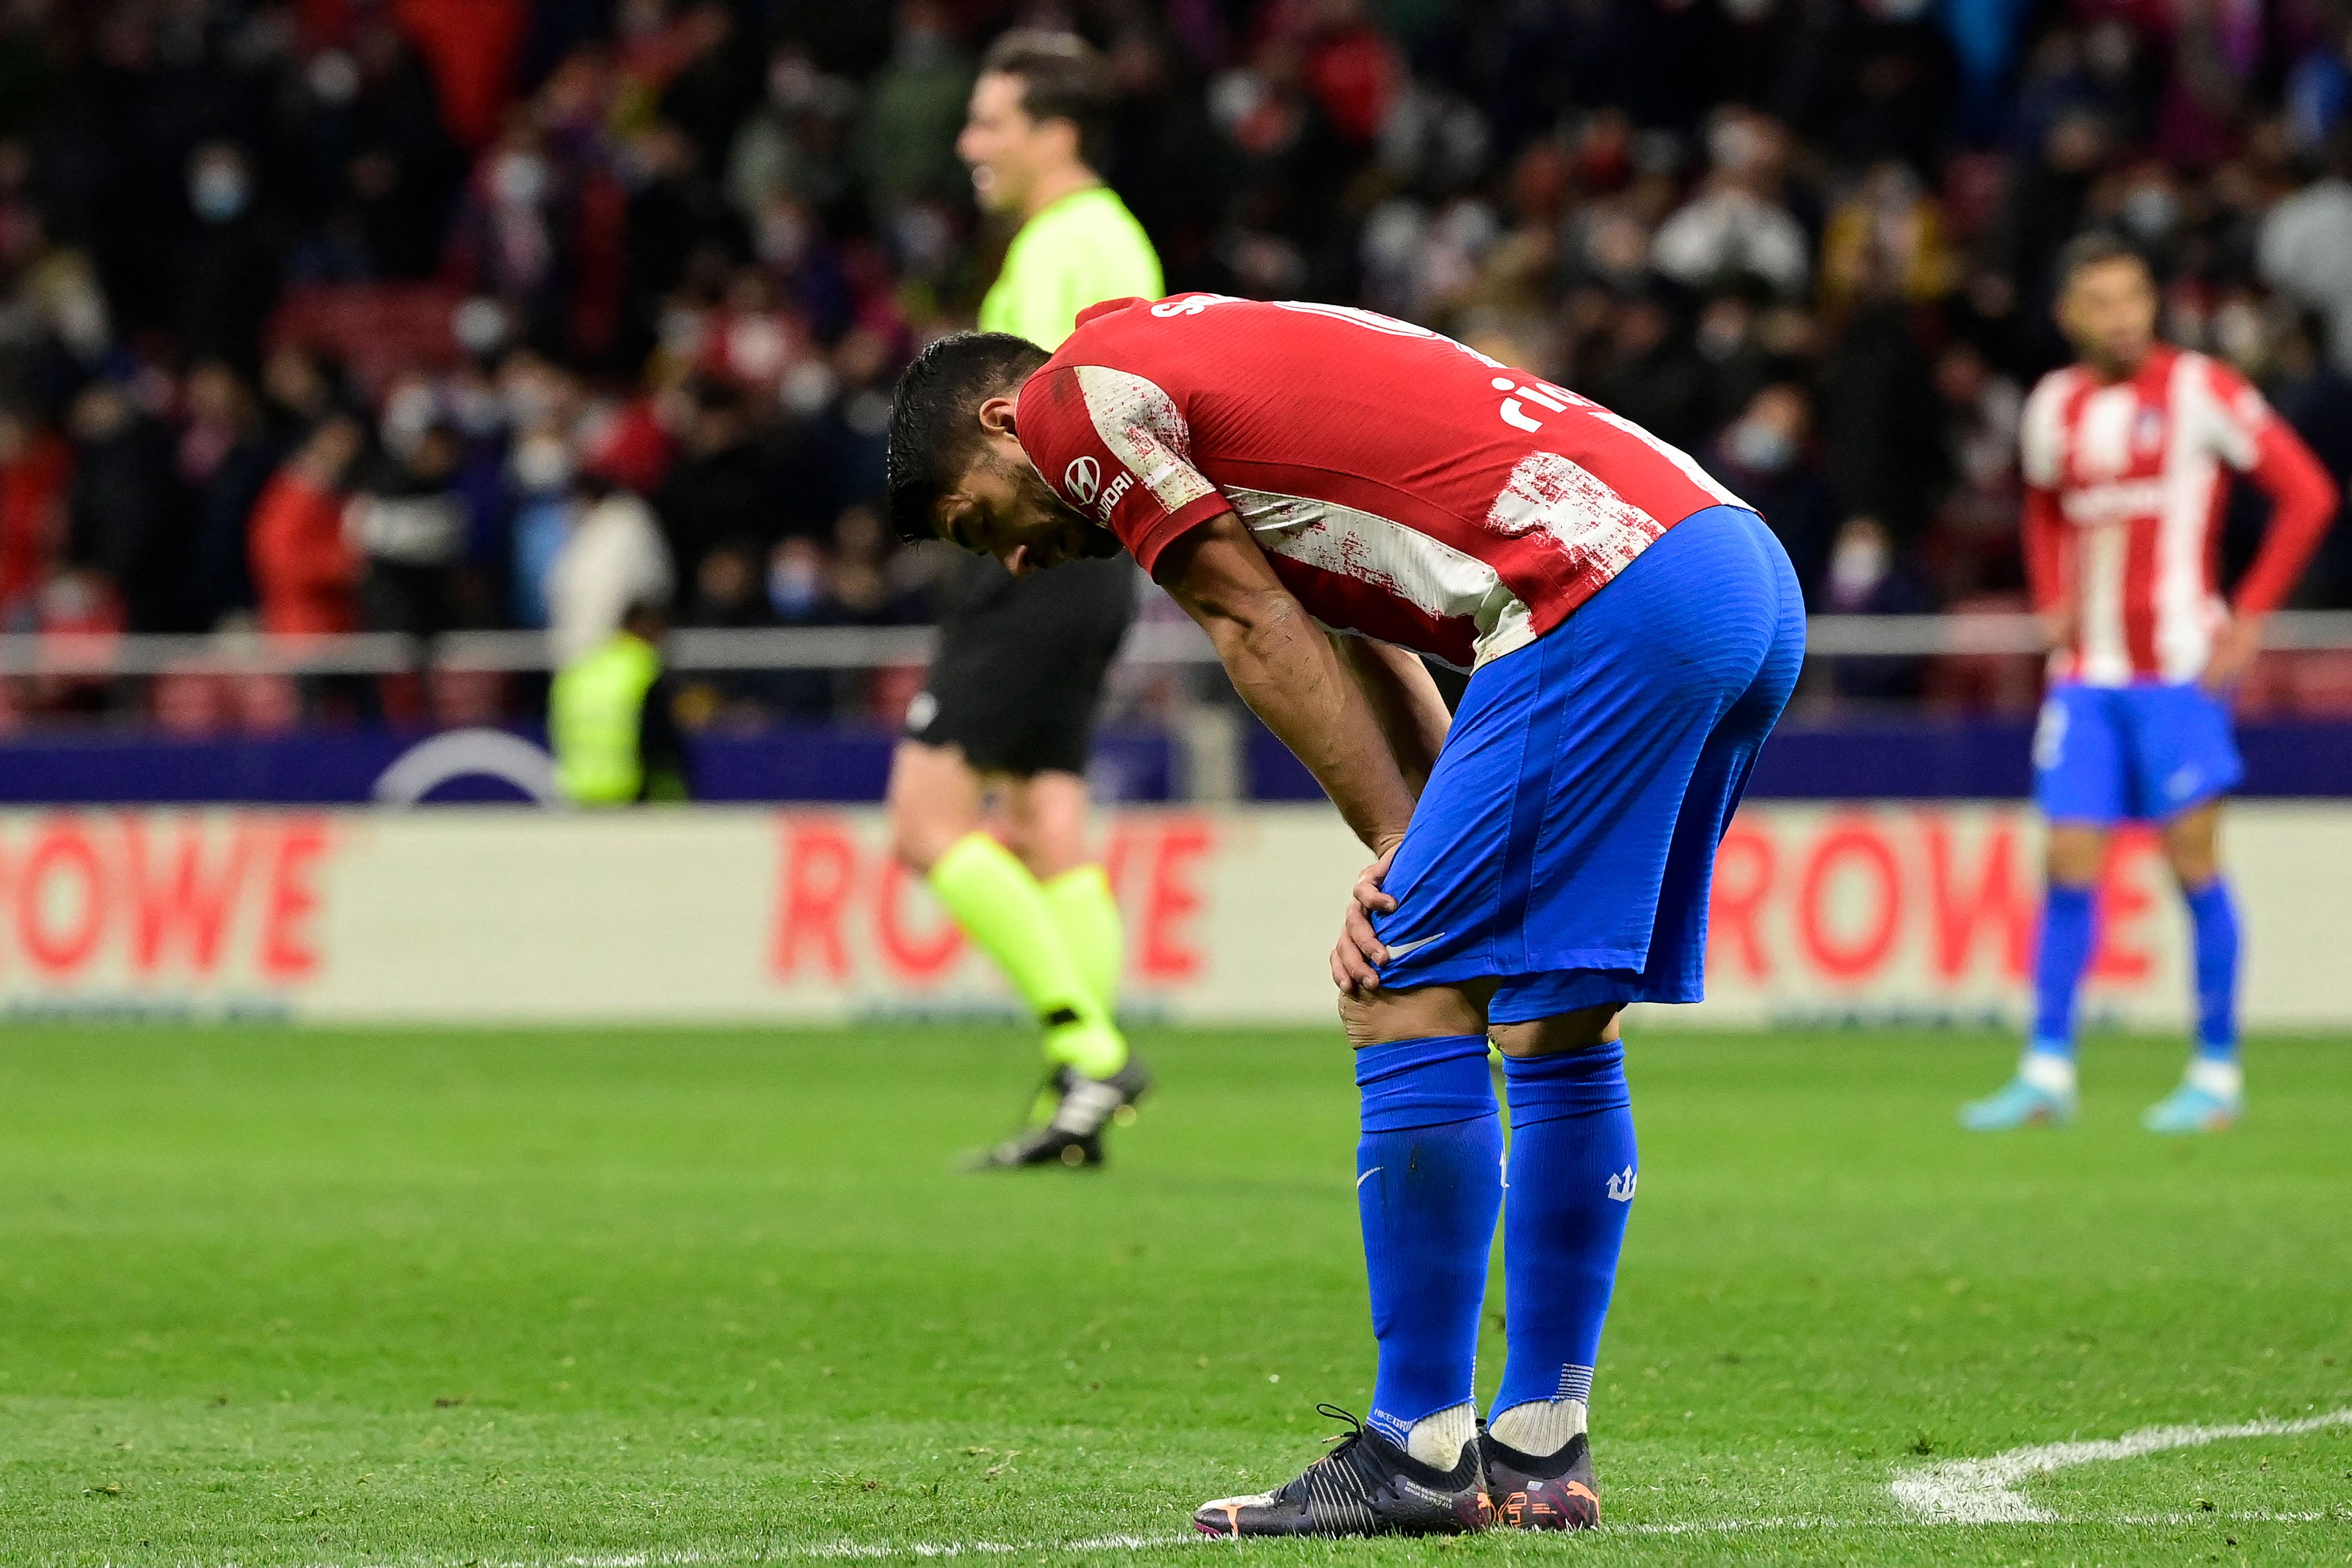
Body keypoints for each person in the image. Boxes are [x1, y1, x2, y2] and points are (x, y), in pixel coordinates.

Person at [883, 293, 1803, 1535]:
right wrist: (1416, 840)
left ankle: (1413, 1447)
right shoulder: (1183, 360)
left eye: (976, 517)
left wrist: (1392, 851)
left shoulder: (1071, 401)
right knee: (1550, 1015)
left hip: (1594, 587)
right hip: (1723, 565)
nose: (1007, 557)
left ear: (1002, 420)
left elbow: (1245, 617)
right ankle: (1537, 1447)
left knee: (1397, 985)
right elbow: (1336, 617)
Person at [1961, 234, 2338, 1136]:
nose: (2122, 315)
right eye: (2100, 301)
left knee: (2192, 863)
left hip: (2177, 674)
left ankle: (2215, 1072)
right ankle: (2046, 1071)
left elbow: (2307, 495)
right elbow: (2044, 503)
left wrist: (2247, 616)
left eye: (2133, 296)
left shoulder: (2201, 387)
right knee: (2066, 866)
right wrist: (2050, 596)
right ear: (2066, 317)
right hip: (2085, 677)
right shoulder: (2052, 405)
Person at [885, 31, 1163, 1170]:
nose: (969, 144)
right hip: (1097, 564)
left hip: (1035, 556)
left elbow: (1041, 414)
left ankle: (1088, 1049)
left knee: (926, 821)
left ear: (1056, 132)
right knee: (1049, 827)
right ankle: (1078, 1098)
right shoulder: (1114, 240)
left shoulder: (1064, 243)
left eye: (991, 122)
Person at [550, 600, 691, 806]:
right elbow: (658, 740)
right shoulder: (646, 667)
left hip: (578, 793)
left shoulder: (579, 670)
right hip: (630, 793)